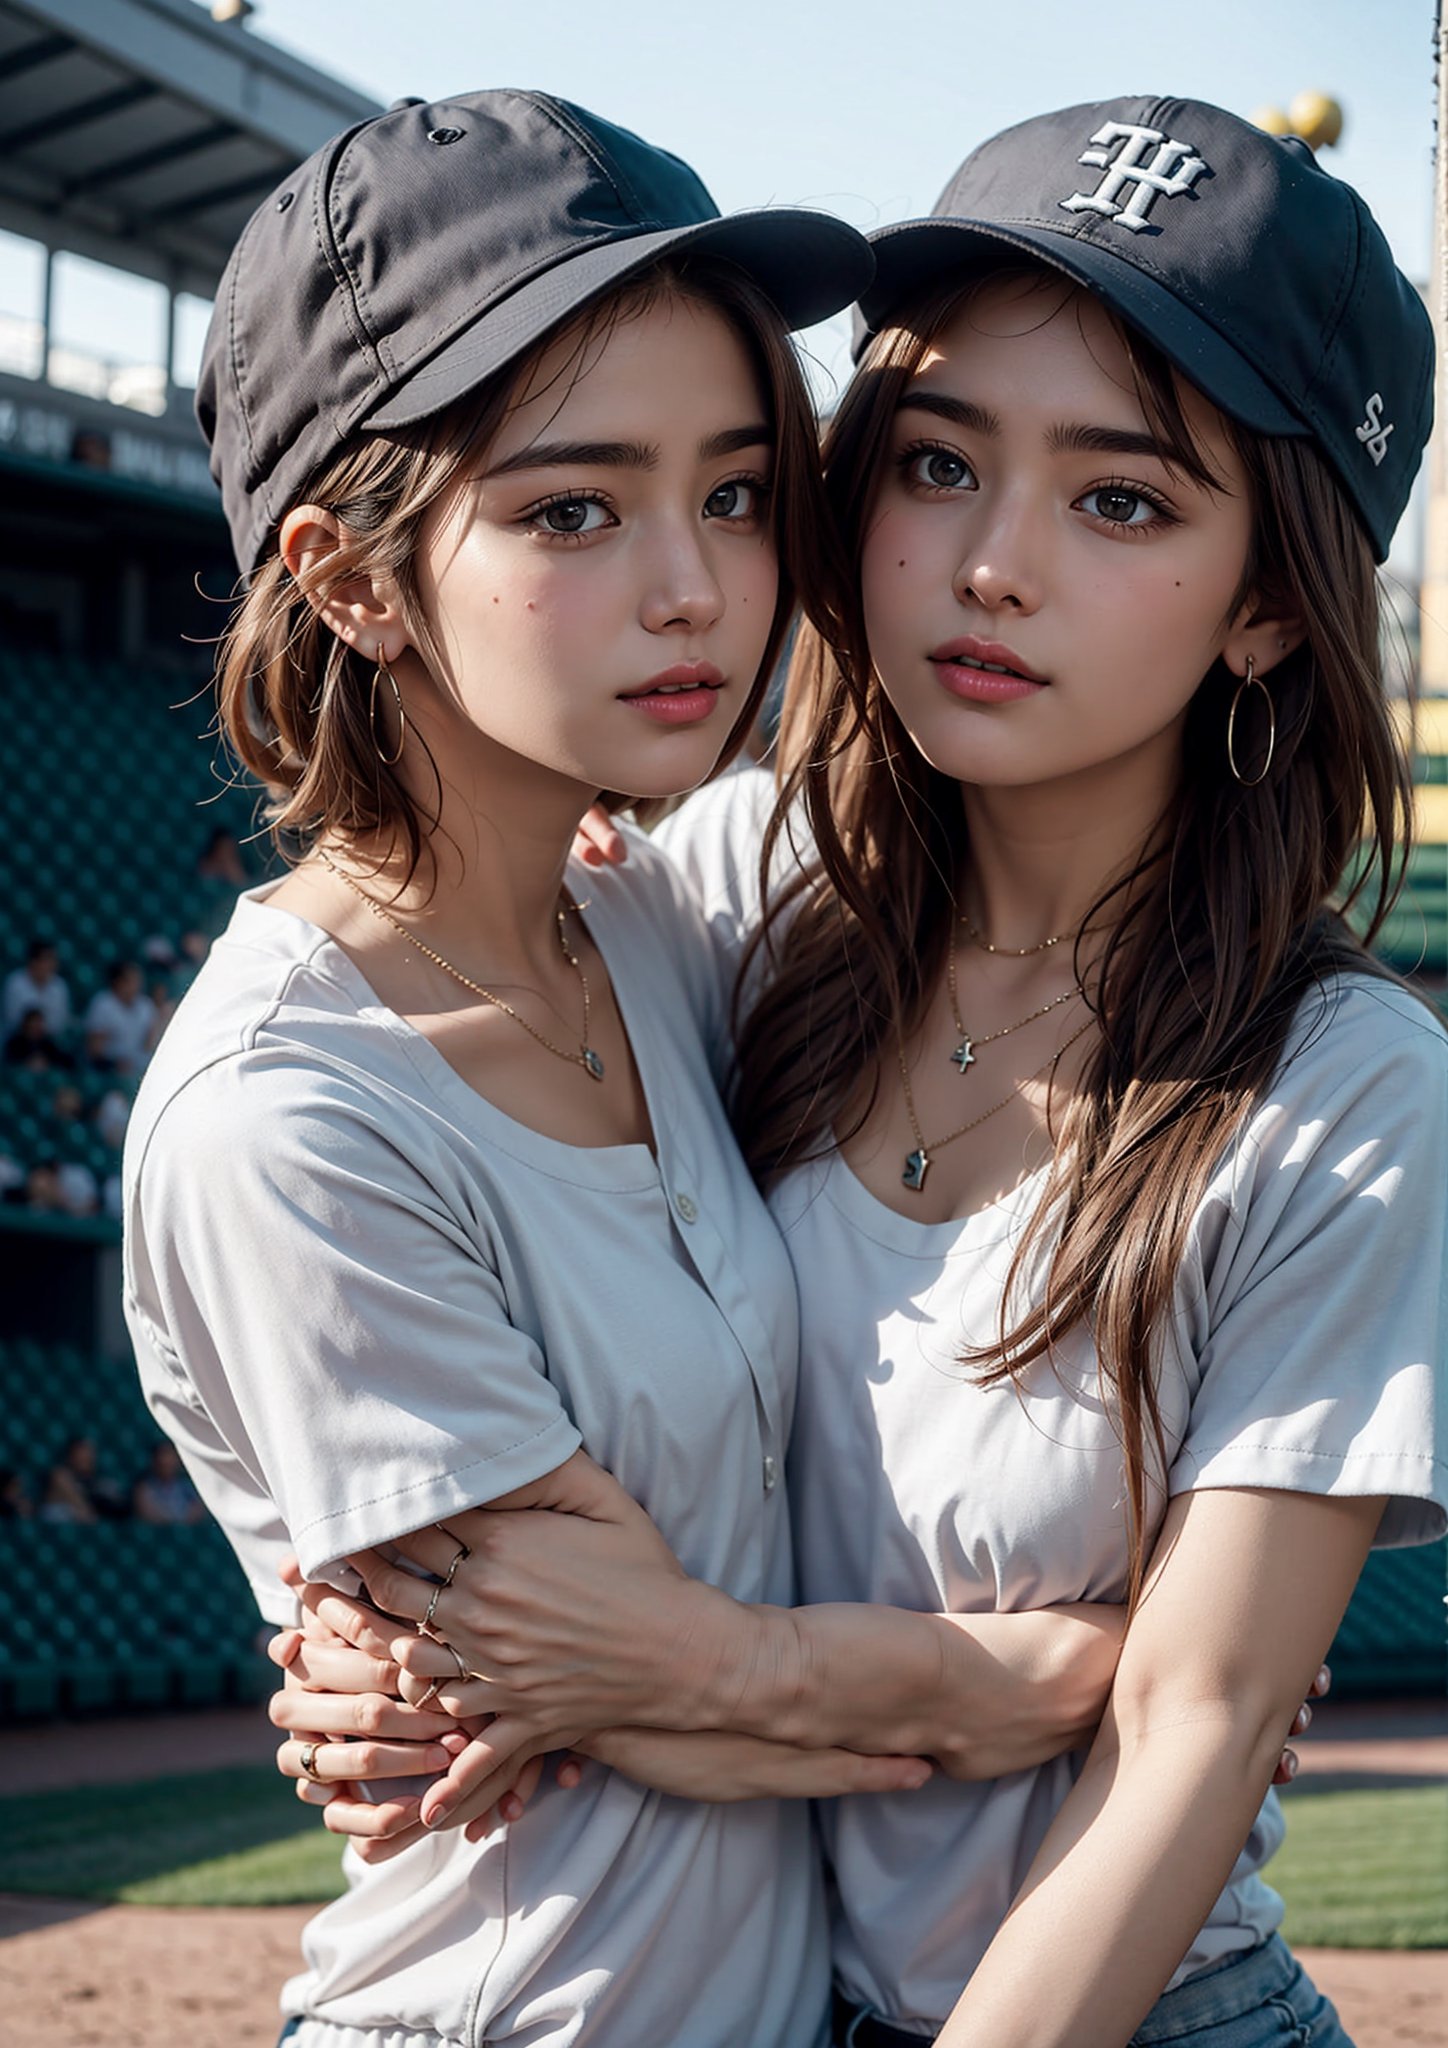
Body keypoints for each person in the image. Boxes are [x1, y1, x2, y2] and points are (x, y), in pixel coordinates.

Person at [277, 97, 1446, 2048]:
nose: (989, 565)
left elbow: (1199, 1728)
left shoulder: (1342, 1083)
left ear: (1264, 601)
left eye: (1121, 499)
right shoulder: (715, 910)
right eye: (934, 465)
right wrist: (378, 1631)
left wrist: (709, 1660)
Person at [120, 86, 1091, 2048]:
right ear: (351, 576)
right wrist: (1105, 1680)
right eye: (574, 506)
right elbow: (691, 1711)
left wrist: (747, 1674)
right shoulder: (287, 1120)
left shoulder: (651, 924)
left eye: (734, 492)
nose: (692, 587)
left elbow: (701, 1671)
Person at [84, 959, 157, 1074]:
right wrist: (114, 1064)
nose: (138, 984)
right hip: (110, 1071)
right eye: (132, 980)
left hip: (139, 1065)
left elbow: (150, 1043)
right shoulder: (102, 1005)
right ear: (119, 982)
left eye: (138, 980)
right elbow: (95, 1050)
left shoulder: (146, 1005)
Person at [3, 938, 70, 1039]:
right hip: (17, 1040)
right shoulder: (15, 983)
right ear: (34, 962)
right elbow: (13, 1020)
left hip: (48, 1040)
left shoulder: (59, 986)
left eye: (54, 960)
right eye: (48, 959)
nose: (53, 965)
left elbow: (58, 1023)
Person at [132, 1440, 204, 1525]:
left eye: (170, 1459)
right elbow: (148, 1512)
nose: (166, 1462)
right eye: (162, 1461)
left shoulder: (187, 1487)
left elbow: (198, 1511)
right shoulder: (144, 1488)